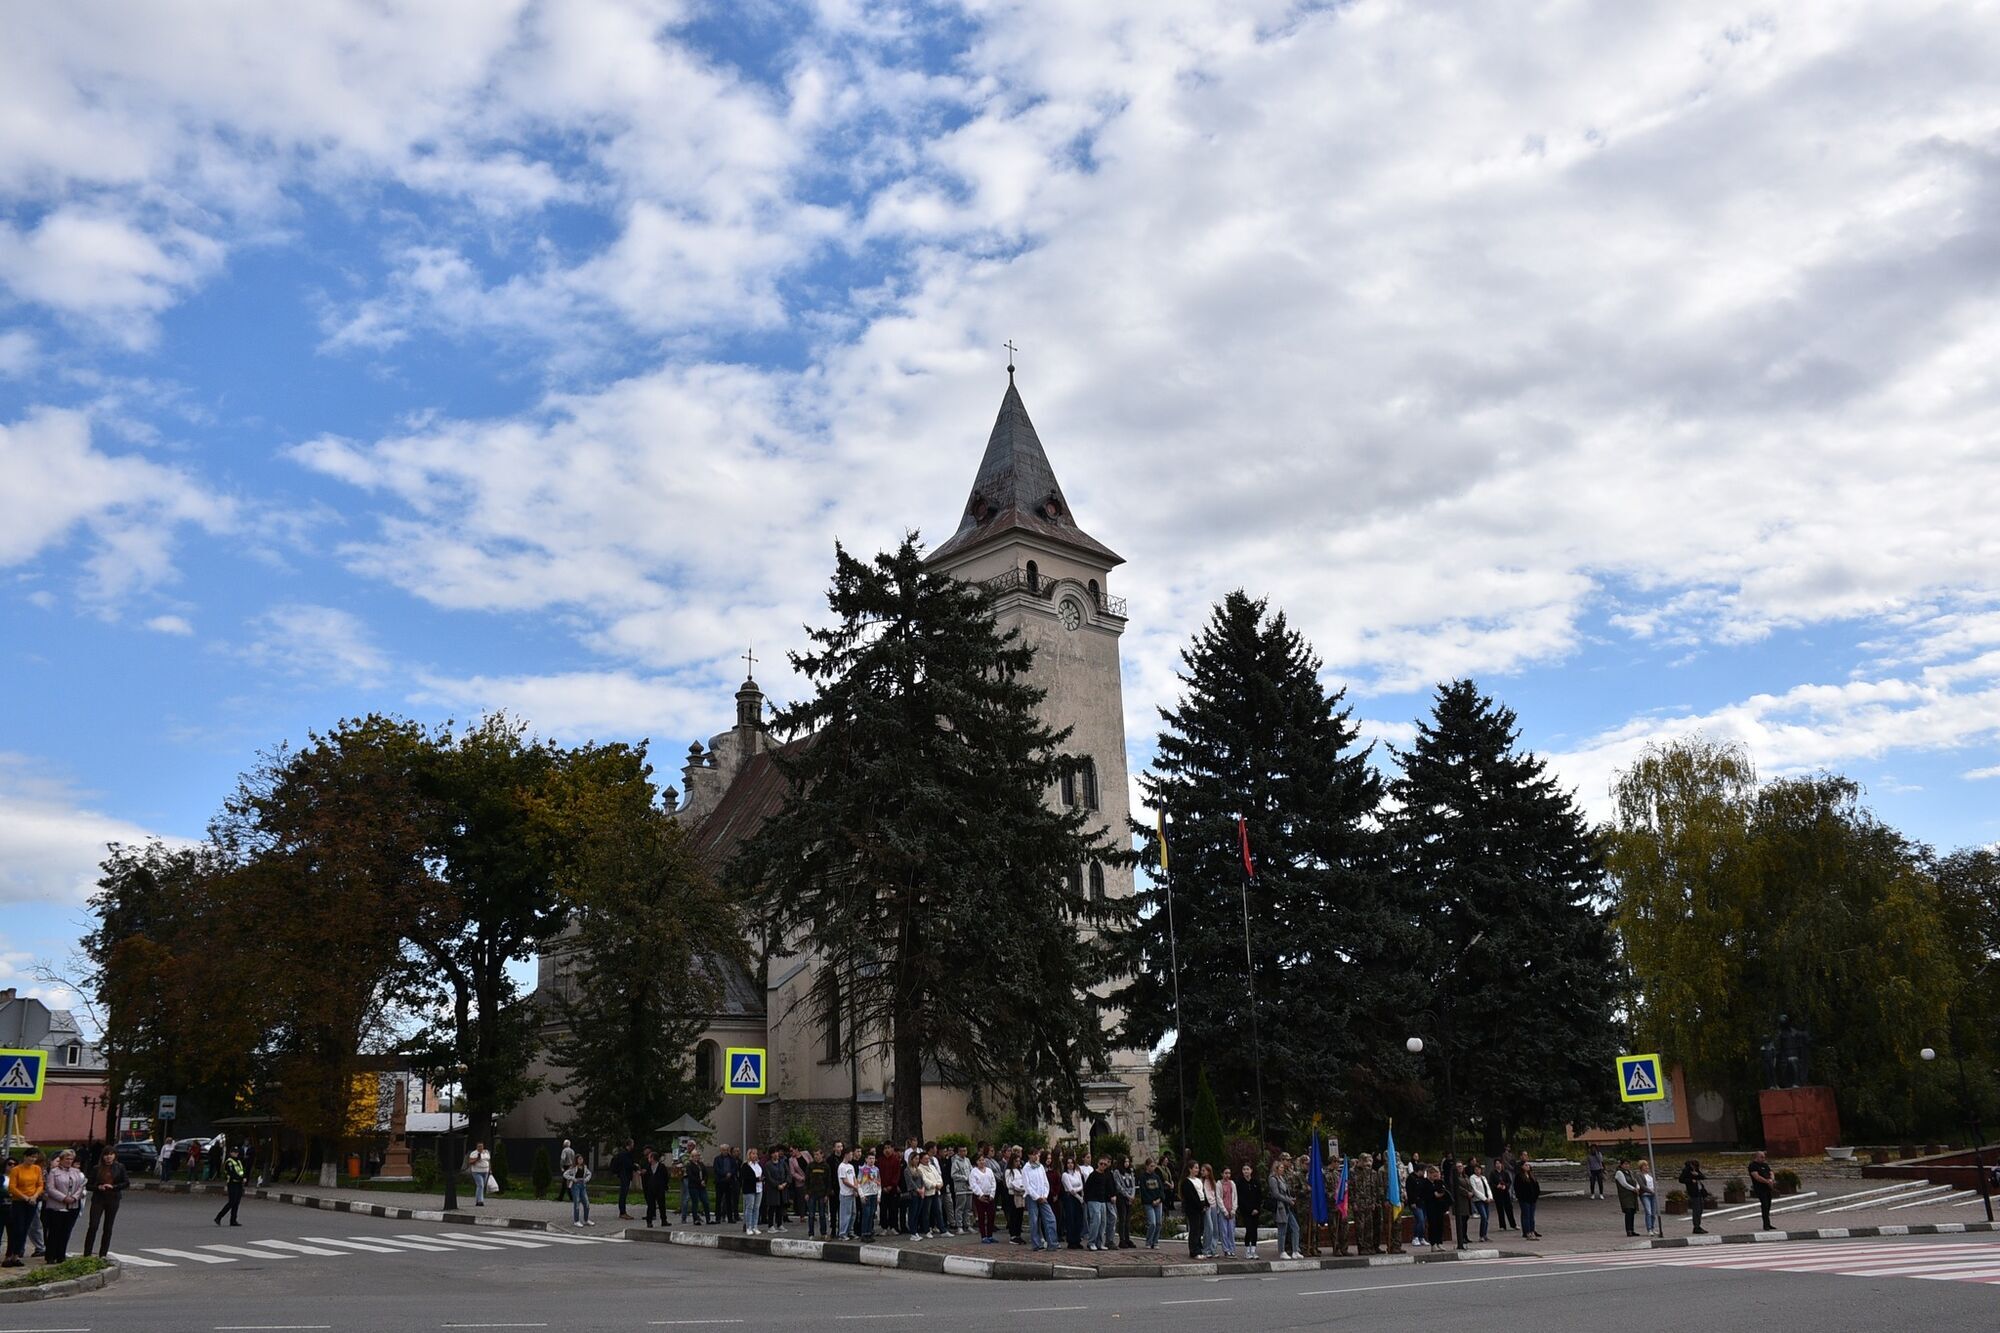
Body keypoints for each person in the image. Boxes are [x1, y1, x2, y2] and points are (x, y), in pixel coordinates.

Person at [83, 1145, 127, 1258]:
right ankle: (87, 1253)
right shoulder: (96, 1168)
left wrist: (114, 1186)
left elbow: (126, 1182)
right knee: (93, 1225)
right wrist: (98, 1187)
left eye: (111, 1154)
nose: (108, 1157)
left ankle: (103, 1254)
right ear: (103, 1156)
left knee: (108, 1227)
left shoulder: (120, 1167)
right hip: (98, 1199)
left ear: (115, 1156)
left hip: (113, 1199)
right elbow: (88, 1185)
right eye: (106, 1155)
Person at [41, 1149, 84, 1264]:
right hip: (57, 1206)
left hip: (73, 1205)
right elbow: (50, 1188)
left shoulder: (76, 1172)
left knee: (66, 1232)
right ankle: (50, 1256)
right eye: (67, 1159)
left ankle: (61, 1255)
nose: (69, 1161)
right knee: (55, 1231)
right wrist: (64, 1198)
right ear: (61, 1160)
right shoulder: (54, 1172)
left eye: (71, 1159)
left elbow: (81, 1186)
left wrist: (74, 1197)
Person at [3, 1148, 43, 1267]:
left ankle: (17, 1255)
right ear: (25, 1157)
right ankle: (9, 1255)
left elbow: (40, 1184)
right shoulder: (17, 1170)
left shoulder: (37, 1169)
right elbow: (12, 1187)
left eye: (35, 1157)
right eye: (31, 1156)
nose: (32, 1159)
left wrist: (35, 1196)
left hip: (32, 1201)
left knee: (25, 1229)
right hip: (19, 1201)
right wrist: (25, 1197)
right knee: (17, 1229)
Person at [1269, 1154, 1301, 1260]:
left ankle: (1295, 1250)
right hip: (1280, 1208)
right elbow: (1276, 1194)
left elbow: (1286, 1192)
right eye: (1281, 1168)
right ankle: (1282, 1251)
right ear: (1276, 1168)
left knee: (1295, 1227)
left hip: (1287, 1206)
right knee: (1282, 1230)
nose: (1283, 1169)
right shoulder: (1273, 1179)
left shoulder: (1281, 1178)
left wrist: (1291, 1198)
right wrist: (1288, 1200)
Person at [1025, 1150, 1058, 1252]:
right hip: (1032, 1197)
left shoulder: (1040, 1167)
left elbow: (1045, 1182)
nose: (1036, 1157)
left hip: (1043, 1196)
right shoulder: (1026, 1168)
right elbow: (1027, 1186)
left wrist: (1044, 1195)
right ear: (1029, 1155)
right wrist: (1036, 1196)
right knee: (1034, 1221)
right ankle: (1036, 1244)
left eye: (1037, 1155)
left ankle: (1052, 1243)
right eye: (1034, 1154)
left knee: (1050, 1218)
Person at [1083, 1154, 1114, 1251]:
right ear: (1098, 1164)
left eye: (1105, 1164)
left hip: (1102, 1201)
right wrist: (1087, 1200)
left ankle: (1099, 1243)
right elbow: (1086, 1188)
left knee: (1103, 1222)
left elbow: (1107, 1188)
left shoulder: (1105, 1175)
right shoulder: (1093, 1175)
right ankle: (1091, 1242)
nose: (1103, 1166)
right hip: (1093, 1200)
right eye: (1101, 1164)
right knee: (1095, 1221)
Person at [1178, 1160, 1207, 1259]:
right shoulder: (1186, 1182)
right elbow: (1191, 1197)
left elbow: (1202, 1193)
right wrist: (1200, 1206)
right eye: (1195, 1168)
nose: (1197, 1170)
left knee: (1200, 1229)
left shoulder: (1198, 1180)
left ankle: (1199, 1248)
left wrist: (1205, 1204)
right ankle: (1193, 1250)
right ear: (1190, 1169)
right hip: (1193, 1209)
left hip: (1201, 1208)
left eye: (1198, 1168)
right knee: (1194, 1229)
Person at [213, 1146, 247, 1226]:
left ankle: (233, 1220)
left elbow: (241, 1171)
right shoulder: (229, 1162)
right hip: (232, 1183)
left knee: (236, 1202)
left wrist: (244, 1177)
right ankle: (218, 1217)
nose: (236, 1154)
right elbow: (231, 1174)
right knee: (232, 1202)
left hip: (239, 1184)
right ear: (231, 1153)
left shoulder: (238, 1161)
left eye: (237, 1152)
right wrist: (241, 1178)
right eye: (234, 1152)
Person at [1236, 1161, 1264, 1258]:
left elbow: (1259, 1196)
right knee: (1249, 1229)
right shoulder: (1239, 1183)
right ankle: (1247, 1250)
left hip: (1256, 1211)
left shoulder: (1256, 1182)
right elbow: (1240, 1198)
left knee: (1254, 1229)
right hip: (1246, 1211)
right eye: (1244, 1169)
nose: (1246, 1171)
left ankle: (1254, 1250)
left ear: (1251, 1170)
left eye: (1248, 1169)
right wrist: (1248, 1209)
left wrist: (1257, 1208)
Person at [969, 1149, 997, 1243]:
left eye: (983, 1160)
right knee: (981, 1217)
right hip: (980, 1197)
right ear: (976, 1162)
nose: (982, 1162)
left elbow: (993, 1182)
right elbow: (973, 1184)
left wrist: (992, 1193)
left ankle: (990, 1235)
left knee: (991, 1216)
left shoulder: (989, 1170)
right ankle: (983, 1236)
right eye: (979, 1160)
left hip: (990, 1196)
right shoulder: (974, 1172)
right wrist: (980, 1194)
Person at [1138, 1157, 1166, 1249]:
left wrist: (1159, 1199)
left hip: (1158, 1202)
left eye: (1154, 1166)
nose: (1153, 1168)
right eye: (1151, 1166)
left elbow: (1161, 1189)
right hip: (1149, 1203)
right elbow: (1144, 1191)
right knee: (1152, 1223)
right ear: (1147, 1166)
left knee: (1159, 1222)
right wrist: (1151, 1201)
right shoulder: (1143, 1177)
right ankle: (1149, 1241)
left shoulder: (1156, 1177)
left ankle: (1155, 1241)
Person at [1059, 1154, 1085, 1249]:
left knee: (1078, 1219)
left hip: (1078, 1198)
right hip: (1070, 1198)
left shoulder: (1077, 1173)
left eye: (1071, 1163)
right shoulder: (1065, 1175)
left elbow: (1081, 1186)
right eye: (1068, 1163)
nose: (1070, 1165)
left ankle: (1077, 1239)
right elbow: (1070, 1189)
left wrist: (1077, 1191)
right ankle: (1071, 1241)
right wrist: (1080, 1198)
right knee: (1071, 1219)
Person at [1678, 1158, 1709, 1235]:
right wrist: (1691, 1180)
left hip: (1699, 1191)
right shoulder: (1686, 1170)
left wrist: (1697, 1174)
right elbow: (1681, 1179)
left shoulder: (1696, 1170)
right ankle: (1696, 1226)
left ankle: (1698, 1225)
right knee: (1696, 1210)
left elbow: (1703, 1177)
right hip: (1694, 1192)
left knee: (1700, 1209)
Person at [805, 1148, 832, 1237]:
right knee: (811, 1215)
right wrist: (806, 1192)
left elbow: (828, 1181)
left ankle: (823, 1233)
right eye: (814, 1155)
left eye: (817, 1154)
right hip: (812, 1193)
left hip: (822, 1193)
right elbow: (807, 1180)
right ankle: (811, 1233)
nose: (816, 1156)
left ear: (822, 1155)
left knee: (822, 1215)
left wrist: (827, 1194)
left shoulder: (826, 1166)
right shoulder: (810, 1166)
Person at [1213, 1163, 1237, 1257]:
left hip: (1231, 1210)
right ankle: (1226, 1249)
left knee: (1231, 1231)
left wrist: (1233, 1210)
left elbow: (1235, 1197)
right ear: (1222, 1174)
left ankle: (1232, 1248)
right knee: (1224, 1231)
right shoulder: (1219, 1184)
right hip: (1223, 1211)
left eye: (1229, 1173)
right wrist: (1224, 1211)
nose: (1227, 1175)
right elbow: (1218, 1198)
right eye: (1225, 1173)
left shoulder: (1232, 1184)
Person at [1748, 1151, 1776, 1231]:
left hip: (1768, 1188)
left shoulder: (1765, 1165)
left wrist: (1771, 1180)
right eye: (1762, 1157)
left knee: (1768, 1205)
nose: (1763, 1159)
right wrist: (1767, 1181)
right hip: (1760, 1188)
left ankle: (1768, 1223)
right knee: (1764, 1205)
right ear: (1757, 1157)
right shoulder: (1753, 1165)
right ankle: (1765, 1225)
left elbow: (1771, 1173)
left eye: (1764, 1157)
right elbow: (1756, 1177)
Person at [1112, 1155, 1136, 1249]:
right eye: (1125, 1162)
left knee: (1128, 1220)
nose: (1127, 1163)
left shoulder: (1131, 1171)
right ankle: (1122, 1240)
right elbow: (1118, 1186)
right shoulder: (1117, 1172)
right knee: (1123, 1218)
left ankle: (1127, 1238)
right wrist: (1127, 1195)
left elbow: (1133, 1184)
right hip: (1122, 1197)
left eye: (1128, 1162)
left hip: (1130, 1197)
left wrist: (1132, 1195)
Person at [1448, 1159, 1473, 1250]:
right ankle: (1461, 1237)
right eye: (1458, 1167)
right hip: (1460, 1201)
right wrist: (1467, 1193)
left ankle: (1465, 1236)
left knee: (1466, 1218)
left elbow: (1469, 1185)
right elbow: (1457, 1188)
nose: (1460, 1168)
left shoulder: (1465, 1176)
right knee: (1461, 1219)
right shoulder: (1455, 1178)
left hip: (1467, 1201)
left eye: (1461, 1166)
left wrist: (1471, 1192)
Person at [683, 1147, 711, 1224]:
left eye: (698, 1155)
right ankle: (695, 1219)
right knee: (695, 1202)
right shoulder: (689, 1165)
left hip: (702, 1186)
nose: (697, 1157)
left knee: (705, 1202)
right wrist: (699, 1181)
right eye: (695, 1156)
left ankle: (708, 1219)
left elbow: (706, 1173)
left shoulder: (701, 1164)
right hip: (694, 1186)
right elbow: (691, 1176)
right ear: (692, 1157)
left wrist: (704, 1181)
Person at [564, 1152, 594, 1227]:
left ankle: (586, 1219)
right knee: (576, 1203)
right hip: (575, 1186)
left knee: (586, 1203)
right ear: (576, 1160)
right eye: (579, 1159)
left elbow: (589, 1174)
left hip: (582, 1185)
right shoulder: (573, 1168)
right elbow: (565, 1174)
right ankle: (576, 1221)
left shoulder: (585, 1167)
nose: (581, 1160)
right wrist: (572, 1178)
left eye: (581, 1159)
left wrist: (586, 1179)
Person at [642, 1148, 669, 1227]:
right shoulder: (648, 1167)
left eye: (649, 1157)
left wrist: (665, 1186)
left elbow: (665, 1177)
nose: (648, 1159)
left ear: (653, 1158)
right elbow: (646, 1178)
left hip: (660, 1188)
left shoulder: (661, 1166)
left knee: (662, 1205)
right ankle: (649, 1221)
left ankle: (664, 1220)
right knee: (650, 1205)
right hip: (650, 1189)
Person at [739, 1146, 763, 1235]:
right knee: (750, 1207)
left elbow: (760, 1174)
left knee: (756, 1208)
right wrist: (757, 1179)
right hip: (749, 1189)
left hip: (759, 1188)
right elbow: (746, 1177)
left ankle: (755, 1226)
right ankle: (748, 1226)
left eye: (756, 1154)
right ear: (749, 1155)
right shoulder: (745, 1165)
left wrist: (761, 1179)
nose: (755, 1155)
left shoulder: (758, 1165)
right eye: (753, 1153)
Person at [857, 1150, 881, 1238]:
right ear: (866, 1159)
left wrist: (879, 1195)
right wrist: (862, 1195)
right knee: (866, 1214)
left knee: (871, 1214)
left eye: (873, 1158)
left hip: (874, 1193)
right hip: (866, 1194)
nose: (872, 1160)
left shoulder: (876, 1169)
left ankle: (870, 1231)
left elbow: (879, 1183)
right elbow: (858, 1183)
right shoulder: (862, 1169)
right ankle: (864, 1233)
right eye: (870, 1158)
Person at [1466, 1159, 1492, 1242]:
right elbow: (1475, 1190)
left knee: (1487, 1217)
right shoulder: (1472, 1178)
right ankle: (1481, 1235)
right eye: (1476, 1170)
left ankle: (1485, 1234)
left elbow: (1487, 1188)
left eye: (1479, 1169)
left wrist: (1490, 1197)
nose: (1477, 1171)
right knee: (1483, 1216)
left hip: (1486, 1199)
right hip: (1479, 1200)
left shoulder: (1483, 1178)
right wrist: (1484, 1198)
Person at [1516, 1161, 1543, 1240]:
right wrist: (1521, 1197)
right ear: (1522, 1167)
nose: (1527, 1166)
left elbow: (1536, 1186)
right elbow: (1518, 1189)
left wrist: (1536, 1195)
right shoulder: (1519, 1176)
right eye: (1525, 1165)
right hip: (1524, 1200)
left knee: (1531, 1216)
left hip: (1532, 1199)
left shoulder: (1531, 1176)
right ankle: (1527, 1232)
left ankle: (1532, 1230)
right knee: (1526, 1216)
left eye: (1528, 1165)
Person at [611, 1140, 637, 1221]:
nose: (633, 1146)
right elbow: (628, 1164)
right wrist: (635, 1167)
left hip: (624, 1174)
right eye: (632, 1144)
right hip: (624, 1175)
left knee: (623, 1194)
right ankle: (622, 1212)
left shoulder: (623, 1153)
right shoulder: (625, 1154)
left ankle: (623, 1212)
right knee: (623, 1194)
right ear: (628, 1145)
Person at [1490, 1152, 1516, 1232]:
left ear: (1501, 1164)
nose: (1498, 1165)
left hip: (1505, 1193)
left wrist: (1506, 1186)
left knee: (1509, 1208)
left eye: (1499, 1163)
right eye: (1496, 1163)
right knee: (1500, 1209)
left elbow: (1509, 1181)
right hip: (1498, 1194)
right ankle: (1502, 1225)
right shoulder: (1493, 1173)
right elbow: (1491, 1183)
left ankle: (1513, 1224)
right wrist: (1496, 1186)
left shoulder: (1505, 1173)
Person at [837, 1148, 860, 1239]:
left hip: (851, 1193)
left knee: (853, 1213)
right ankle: (843, 1233)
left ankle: (850, 1231)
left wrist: (855, 1188)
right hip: (845, 1194)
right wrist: (854, 1187)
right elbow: (844, 1181)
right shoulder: (841, 1167)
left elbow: (854, 1178)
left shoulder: (851, 1166)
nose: (852, 1156)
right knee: (845, 1214)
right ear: (846, 1155)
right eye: (850, 1154)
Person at [1614, 1159, 1640, 1237]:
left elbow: (1635, 1181)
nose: (1627, 1166)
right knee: (1628, 1211)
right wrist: (1633, 1189)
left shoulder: (1630, 1173)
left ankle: (1632, 1230)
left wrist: (1637, 1187)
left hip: (1632, 1195)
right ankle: (1628, 1230)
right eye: (1625, 1164)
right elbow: (1624, 1184)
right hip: (1625, 1195)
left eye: (1628, 1164)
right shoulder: (1619, 1172)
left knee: (1632, 1212)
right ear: (1621, 1165)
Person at [713, 1144, 739, 1224]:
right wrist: (725, 1174)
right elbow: (716, 1169)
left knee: (729, 1200)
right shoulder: (717, 1159)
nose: (725, 1151)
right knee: (719, 1200)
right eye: (723, 1150)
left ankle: (730, 1218)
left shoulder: (732, 1159)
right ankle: (718, 1218)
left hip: (729, 1182)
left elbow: (735, 1168)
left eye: (726, 1150)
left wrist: (730, 1173)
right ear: (721, 1151)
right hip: (720, 1181)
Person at [466, 1142, 493, 1207]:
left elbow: (488, 1161)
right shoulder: (474, 1153)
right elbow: (470, 1162)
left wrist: (490, 1169)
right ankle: (480, 1201)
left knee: (482, 1186)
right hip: (476, 1172)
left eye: (481, 1146)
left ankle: (478, 1201)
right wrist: (477, 1159)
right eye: (479, 1146)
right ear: (477, 1147)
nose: (480, 1148)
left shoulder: (486, 1152)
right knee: (480, 1185)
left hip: (485, 1171)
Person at [1639, 1159, 1660, 1237]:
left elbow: (1655, 1182)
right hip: (1645, 1195)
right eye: (1645, 1166)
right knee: (1648, 1212)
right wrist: (1650, 1191)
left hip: (1653, 1195)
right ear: (1641, 1167)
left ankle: (1653, 1227)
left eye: (1647, 1165)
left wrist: (1655, 1189)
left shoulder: (1650, 1174)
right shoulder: (1639, 1175)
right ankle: (1649, 1229)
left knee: (1653, 1213)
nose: (1647, 1167)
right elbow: (1642, 1185)